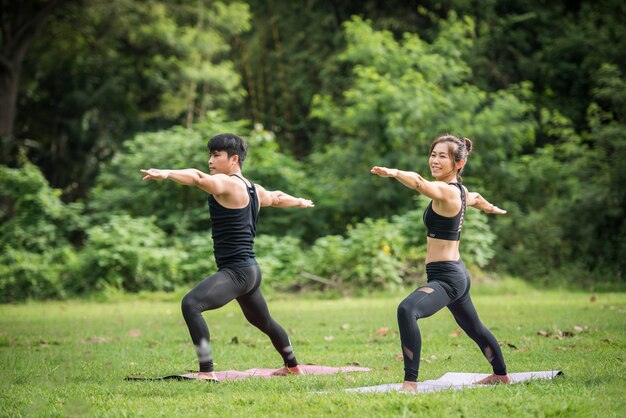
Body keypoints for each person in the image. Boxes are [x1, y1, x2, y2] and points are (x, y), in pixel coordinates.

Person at [140, 133, 314, 381]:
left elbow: (197, 177)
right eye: (209, 155)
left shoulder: (228, 183)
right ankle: (292, 366)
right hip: (250, 271)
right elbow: (276, 197)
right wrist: (299, 201)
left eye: (216, 155)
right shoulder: (253, 188)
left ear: (234, 159)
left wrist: (167, 173)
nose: (210, 161)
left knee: (191, 305)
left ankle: (207, 371)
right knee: (263, 321)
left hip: (237, 273)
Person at [371, 134, 510, 392]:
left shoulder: (446, 191)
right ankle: (500, 375)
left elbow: (420, 183)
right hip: (455, 273)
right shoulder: (460, 191)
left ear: (458, 163)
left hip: (447, 278)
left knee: (406, 310)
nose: (435, 160)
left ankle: (410, 382)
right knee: (474, 327)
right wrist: (491, 208)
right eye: (433, 154)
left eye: (442, 156)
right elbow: (476, 198)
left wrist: (394, 172)